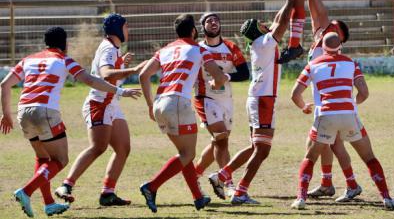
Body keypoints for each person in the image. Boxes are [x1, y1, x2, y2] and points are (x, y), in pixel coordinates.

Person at [0, 27, 141, 218]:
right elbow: (90, 80)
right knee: (60, 160)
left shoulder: (28, 59)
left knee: (43, 159)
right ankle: (26, 191)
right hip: (46, 111)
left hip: (23, 111)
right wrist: (120, 91)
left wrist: (6, 115)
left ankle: (49, 204)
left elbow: (5, 84)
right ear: (65, 44)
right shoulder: (64, 60)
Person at [289, 32, 394, 210]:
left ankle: (301, 198)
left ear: (322, 48)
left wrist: (304, 107)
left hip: (326, 115)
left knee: (310, 157)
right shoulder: (351, 63)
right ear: (340, 46)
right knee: (369, 157)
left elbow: (295, 94)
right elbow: (364, 92)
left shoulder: (312, 65)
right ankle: (386, 198)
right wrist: (351, 104)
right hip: (348, 115)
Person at [209, 0, 296, 204]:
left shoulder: (259, 43)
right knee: (263, 150)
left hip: (259, 98)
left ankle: (222, 175)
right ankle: (240, 192)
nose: (267, 25)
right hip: (263, 100)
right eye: (262, 24)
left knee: (256, 147)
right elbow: (283, 21)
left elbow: (278, 18)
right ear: (259, 31)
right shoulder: (265, 43)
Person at [138, 14, 230, 213]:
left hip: (160, 102)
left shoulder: (164, 50)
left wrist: (148, 105)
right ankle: (151, 187)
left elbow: (143, 75)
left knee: (184, 152)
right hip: (178, 102)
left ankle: (198, 198)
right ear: (194, 31)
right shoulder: (199, 49)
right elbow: (218, 76)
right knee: (188, 153)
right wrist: (222, 78)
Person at [55, 14, 146, 207]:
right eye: (126, 26)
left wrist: (122, 63)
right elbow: (105, 73)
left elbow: (109, 70)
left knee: (123, 148)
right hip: (99, 103)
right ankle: (66, 185)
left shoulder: (112, 48)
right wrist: (133, 70)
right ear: (117, 29)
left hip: (111, 103)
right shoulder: (108, 48)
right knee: (98, 147)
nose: (128, 30)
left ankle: (107, 193)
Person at [303, 0, 362, 202]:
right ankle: (328, 183)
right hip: (321, 101)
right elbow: (314, 12)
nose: (329, 24)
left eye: (334, 26)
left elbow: (322, 11)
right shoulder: (319, 35)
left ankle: (351, 184)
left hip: (332, 103)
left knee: (330, 143)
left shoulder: (330, 43)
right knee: (327, 142)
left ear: (340, 37)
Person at [192, 12, 250, 197]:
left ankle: (194, 175)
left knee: (218, 142)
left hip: (226, 100)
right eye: (208, 21)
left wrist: (226, 77)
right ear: (202, 27)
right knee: (222, 140)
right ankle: (228, 182)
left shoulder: (231, 47)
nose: (213, 22)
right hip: (205, 99)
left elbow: (244, 74)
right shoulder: (197, 49)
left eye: (216, 20)